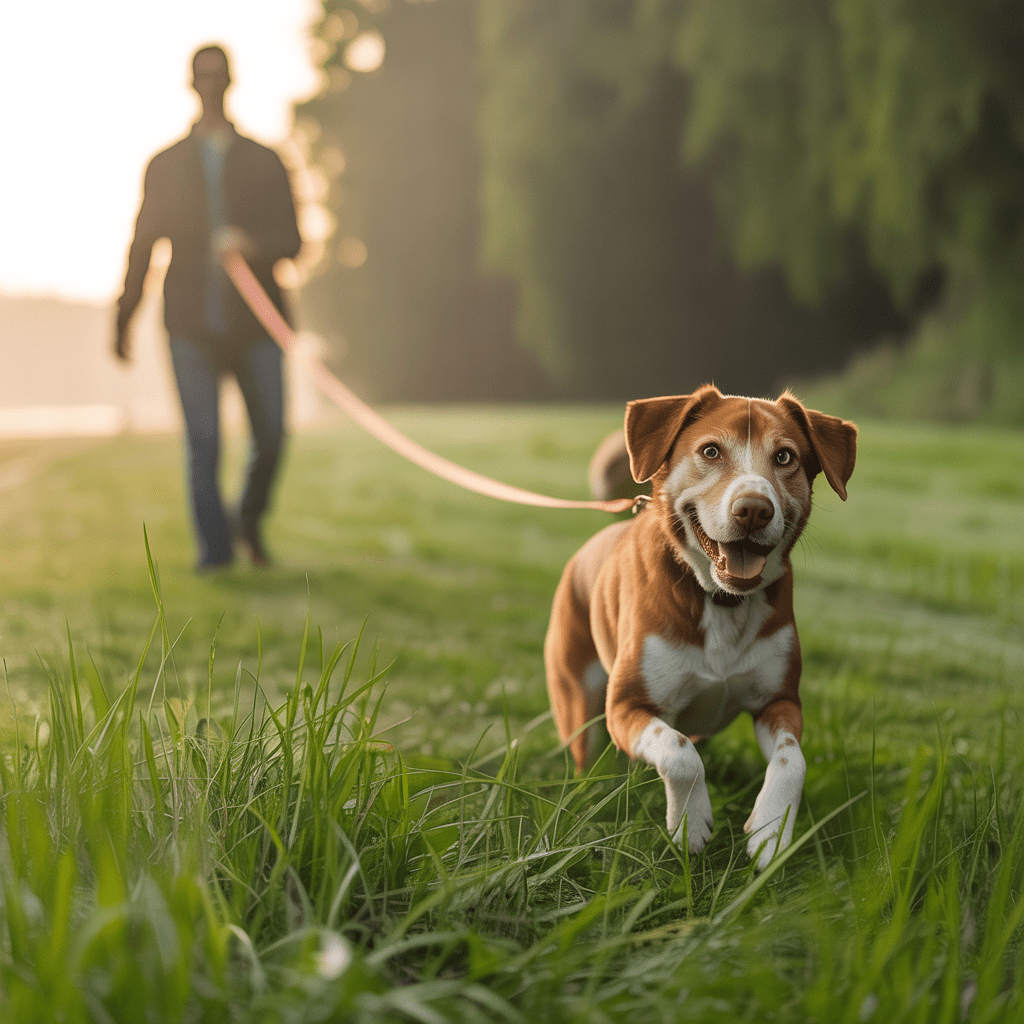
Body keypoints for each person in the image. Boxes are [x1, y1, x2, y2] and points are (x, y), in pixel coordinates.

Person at [114, 44, 301, 571]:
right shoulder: (166, 165)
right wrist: (124, 316)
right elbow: (142, 245)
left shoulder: (266, 161)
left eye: (220, 76)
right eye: (204, 76)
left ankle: (248, 519)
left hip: (257, 325)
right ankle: (215, 554)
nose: (212, 84)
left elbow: (294, 241)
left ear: (232, 82)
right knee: (203, 442)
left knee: (271, 435)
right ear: (191, 84)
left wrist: (253, 246)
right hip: (191, 324)